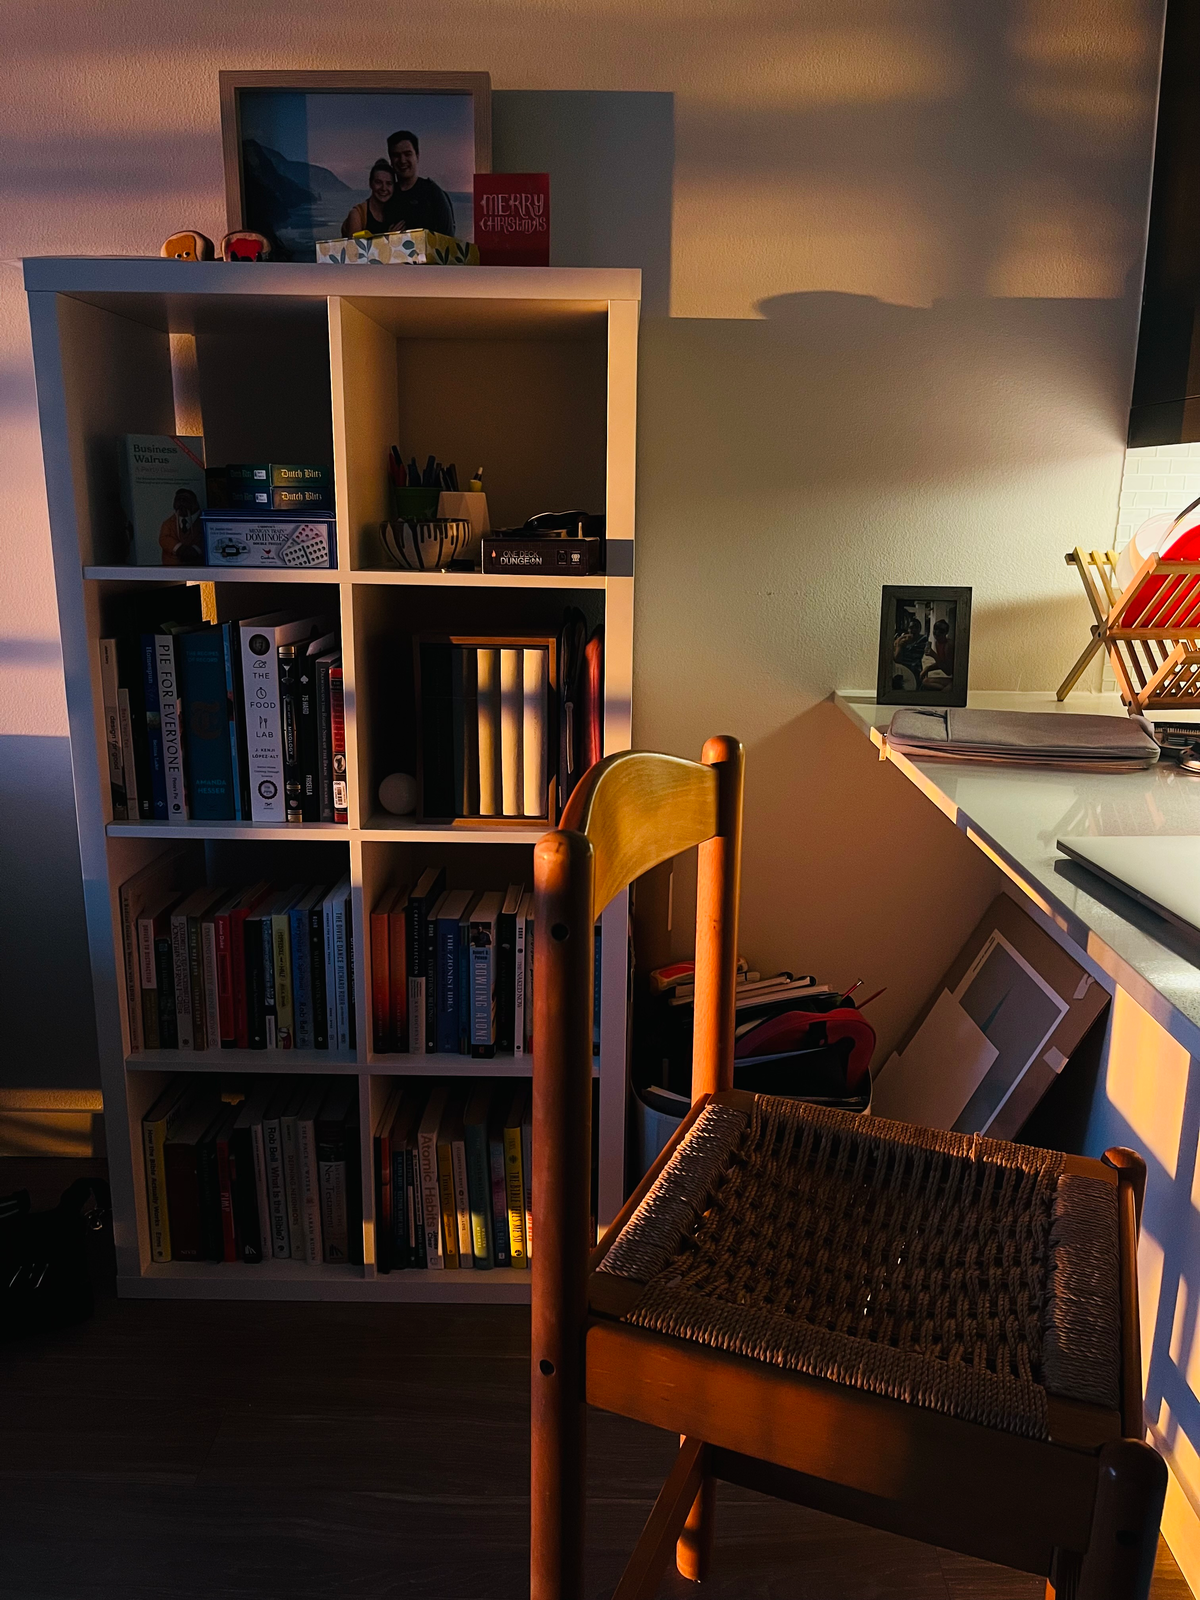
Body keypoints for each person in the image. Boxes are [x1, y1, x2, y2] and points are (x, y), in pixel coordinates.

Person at [385, 129, 455, 236]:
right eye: (396, 155)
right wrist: (387, 238)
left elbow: (449, 240)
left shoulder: (433, 194)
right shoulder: (386, 196)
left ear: (417, 156)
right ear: (391, 160)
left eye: (407, 154)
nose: (402, 160)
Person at [341, 159, 397, 238]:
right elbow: (355, 248)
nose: (384, 188)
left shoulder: (396, 212)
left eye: (389, 183)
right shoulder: (358, 215)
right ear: (371, 183)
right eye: (378, 182)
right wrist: (387, 238)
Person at [158, 488, 203, 565]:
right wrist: (178, 548)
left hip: (196, 566)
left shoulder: (202, 523)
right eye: (178, 499)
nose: (181, 502)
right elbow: (164, 539)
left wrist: (196, 550)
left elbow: (206, 538)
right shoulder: (168, 523)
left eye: (186, 499)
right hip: (172, 566)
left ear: (195, 503)